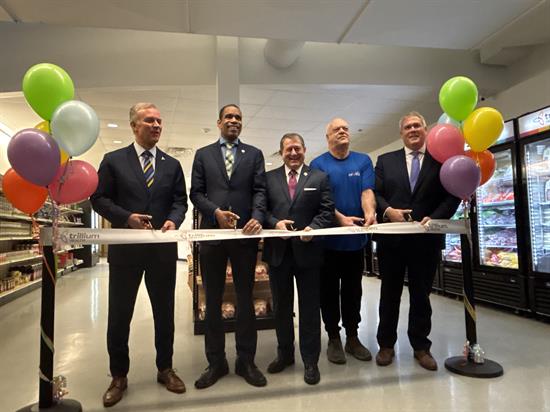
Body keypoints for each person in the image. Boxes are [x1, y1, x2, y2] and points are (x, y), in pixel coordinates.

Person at [91, 102, 188, 407]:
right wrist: (126, 217)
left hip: (162, 250)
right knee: (120, 315)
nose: (157, 125)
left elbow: (180, 201)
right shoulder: (113, 161)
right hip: (126, 251)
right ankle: (119, 375)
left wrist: (175, 218)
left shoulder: (172, 165)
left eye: (159, 121)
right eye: (149, 121)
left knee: (164, 312)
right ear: (134, 126)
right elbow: (98, 198)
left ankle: (165, 368)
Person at [374, 111, 460, 371]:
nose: (413, 130)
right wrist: (388, 211)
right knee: (389, 294)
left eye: (417, 126)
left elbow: (452, 194)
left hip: (426, 241)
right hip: (393, 241)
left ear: (426, 129)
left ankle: (421, 347)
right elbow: (376, 193)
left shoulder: (440, 160)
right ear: (401, 133)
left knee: (421, 295)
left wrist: (434, 218)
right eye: (408, 127)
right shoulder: (385, 161)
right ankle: (386, 345)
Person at [190, 104, 267, 389]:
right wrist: (216, 213)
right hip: (213, 236)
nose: (234, 121)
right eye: (229, 117)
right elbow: (195, 193)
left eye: (238, 118)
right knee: (212, 299)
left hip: (245, 238)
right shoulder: (203, 155)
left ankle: (246, 360)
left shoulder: (254, 155)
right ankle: (216, 362)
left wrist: (257, 217)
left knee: (246, 297)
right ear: (219, 122)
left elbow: (260, 190)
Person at [263, 133, 334, 385]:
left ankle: (311, 361)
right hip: (278, 253)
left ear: (305, 149)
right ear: (280, 152)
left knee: (309, 309)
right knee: (281, 308)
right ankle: (285, 355)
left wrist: (312, 229)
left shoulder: (319, 177)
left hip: (309, 253)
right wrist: (275, 223)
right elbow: (263, 210)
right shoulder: (268, 178)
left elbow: (327, 211)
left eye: (297, 149)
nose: (293, 153)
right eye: (288, 149)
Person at [310, 118, 376, 364]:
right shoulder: (318, 164)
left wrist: (369, 212)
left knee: (353, 290)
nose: (342, 132)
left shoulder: (363, 161)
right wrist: (339, 219)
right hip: (327, 243)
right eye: (336, 129)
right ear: (327, 137)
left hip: (355, 242)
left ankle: (352, 337)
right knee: (327, 291)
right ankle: (333, 338)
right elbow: (322, 201)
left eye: (345, 128)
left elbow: (367, 191)